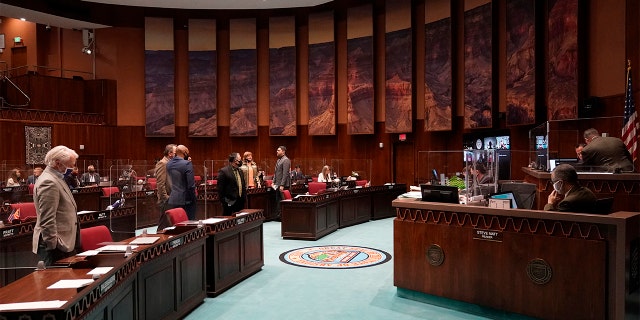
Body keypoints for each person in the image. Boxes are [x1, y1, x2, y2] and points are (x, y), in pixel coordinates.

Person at [31, 145, 80, 266]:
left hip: (64, 244)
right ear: (58, 163)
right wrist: (53, 244)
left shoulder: (57, 178)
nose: (72, 168)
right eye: (70, 165)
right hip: (56, 247)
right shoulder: (48, 182)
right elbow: (47, 218)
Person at [166, 145, 197, 220]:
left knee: (176, 223)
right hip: (186, 200)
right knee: (189, 224)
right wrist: (194, 198)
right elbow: (190, 185)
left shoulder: (169, 164)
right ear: (185, 153)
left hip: (174, 198)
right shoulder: (187, 164)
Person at [155, 144, 176, 215]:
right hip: (166, 201)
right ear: (170, 153)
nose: (177, 156)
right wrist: (166, 198)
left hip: (172, 198)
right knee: (165, 223)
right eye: (176, 153)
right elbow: (160, 183)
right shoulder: (162, 163)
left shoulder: (171, 163)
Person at [273, 145, 291, 219]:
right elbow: (276, 172)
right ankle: (279, 216)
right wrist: (273, 182)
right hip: (277, 184)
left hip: (283, 185)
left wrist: (282, 185)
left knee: (283, 201)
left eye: (278, 150)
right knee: (278, 200)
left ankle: (284, 216)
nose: (277, 151)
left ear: (283, 152)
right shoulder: (278, 160)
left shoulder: (286, 160)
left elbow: (285, 174)